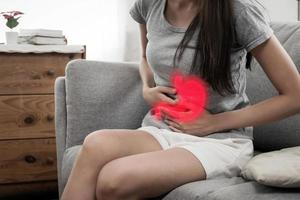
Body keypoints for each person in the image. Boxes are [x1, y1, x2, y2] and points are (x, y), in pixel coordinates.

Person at [61, 0, 300, 199]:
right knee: (95, 143)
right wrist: (147, 88)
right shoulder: (149, 4)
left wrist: (214, 123)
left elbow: (295, 96)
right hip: (162, 129)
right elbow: (144, 57)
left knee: (113, 180)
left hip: (220, 141)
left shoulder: (238, 10)